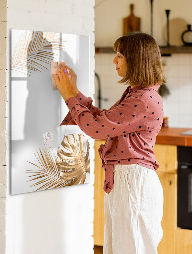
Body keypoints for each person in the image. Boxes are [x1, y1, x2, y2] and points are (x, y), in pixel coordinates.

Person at [52, 32, 165, 254]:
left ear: (136, 59)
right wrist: (74, 91)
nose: (114, 60)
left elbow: (95, 129)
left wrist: (68, 96)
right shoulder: (138, 94)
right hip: (127, 181)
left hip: (133, 183)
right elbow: (104, 121)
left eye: (120, 55)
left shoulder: (142, 99)